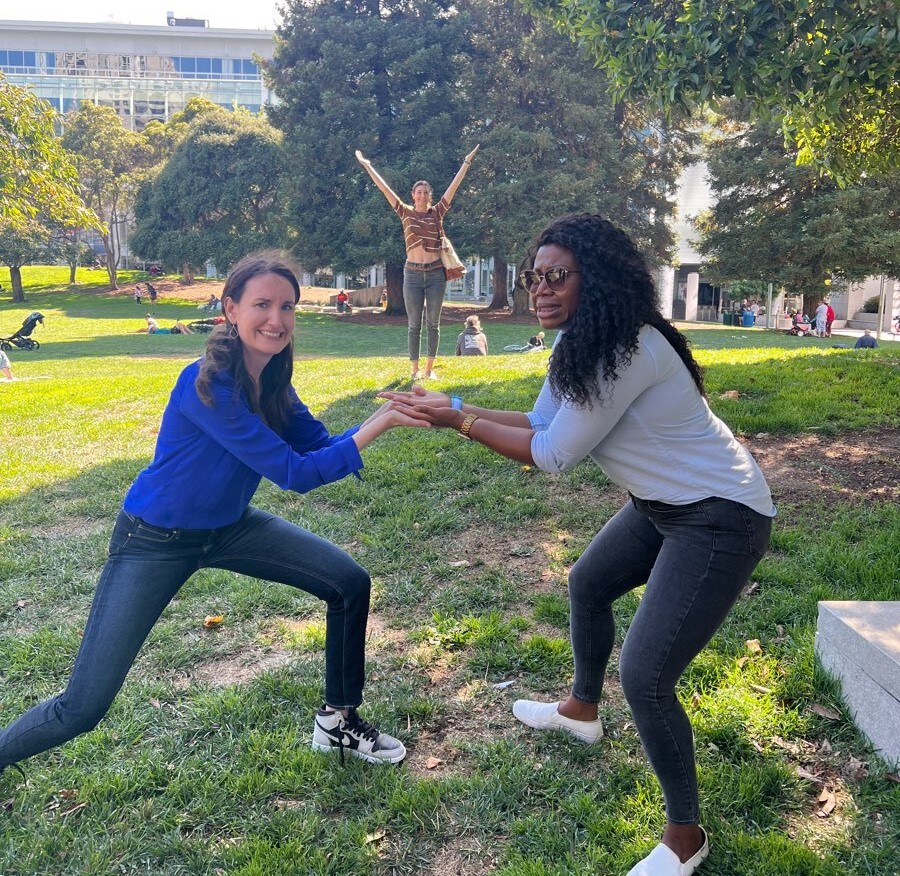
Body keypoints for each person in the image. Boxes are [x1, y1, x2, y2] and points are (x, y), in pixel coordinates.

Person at [382, 213, 774, 876]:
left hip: (721, 517)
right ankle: (581, 710)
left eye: (556, 276)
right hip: (663, 507)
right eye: (536, 277)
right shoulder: (581, 345)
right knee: (587, 584)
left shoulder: (628, 349)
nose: (541, 288)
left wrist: (460, 420)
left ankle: (686, 837)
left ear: (598, 278)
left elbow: (552, 454)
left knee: (647, 677)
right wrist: (451, 406)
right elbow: (540, 421)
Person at [0, 251, 430, 784]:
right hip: (154, 540)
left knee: (347, 582)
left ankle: (337, 722)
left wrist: (387, 414)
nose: (277, 319)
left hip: (229, 527)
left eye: (288, 307)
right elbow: (295, 473)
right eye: (262, 305)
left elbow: (319, 446)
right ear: (230, 309)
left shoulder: (272, 381)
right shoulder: (206, 384)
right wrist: (377, 427)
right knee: (84, 706)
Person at [355, 145, 480, 380]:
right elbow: (384, 189)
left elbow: (454, 187)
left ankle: (429, 370)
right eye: (418, 192)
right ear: (413, 195)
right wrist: (367, 165)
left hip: (435, 275)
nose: (422, 195)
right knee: (414, 325)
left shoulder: (437, 212)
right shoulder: (405, 212)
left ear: (429, 196)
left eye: (425, 192)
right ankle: (414, 371)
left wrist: (466, 162)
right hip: (411, 275)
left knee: (433, 323)